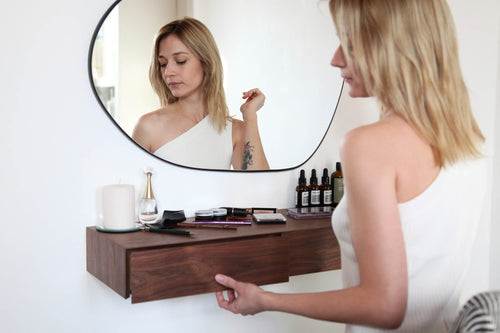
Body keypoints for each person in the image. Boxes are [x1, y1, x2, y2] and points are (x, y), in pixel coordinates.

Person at [214, 0, 486, 331]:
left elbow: (384, 306)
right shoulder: (470, 141)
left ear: (394, 45)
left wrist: (265, 300)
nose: (336, 58)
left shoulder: (368, 144)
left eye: (351, 42)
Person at [132, 17, 269, 170]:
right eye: (163, 64)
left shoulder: (234, 131)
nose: (168, 72)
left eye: (180, 60)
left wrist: (250, 116)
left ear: (206, 62)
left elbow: (257, 184)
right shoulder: (148, 127)